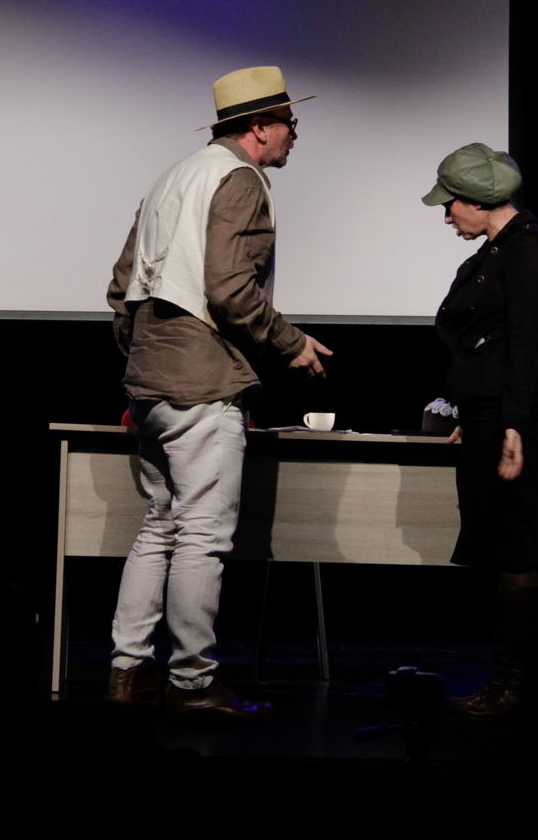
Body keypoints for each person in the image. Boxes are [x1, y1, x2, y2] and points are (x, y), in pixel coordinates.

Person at [104, 66, 331, 720]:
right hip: (201, 379)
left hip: (152, 381)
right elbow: (230, 288)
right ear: (259, 127)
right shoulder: (239, 179)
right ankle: (192, 681)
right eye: (289, 122)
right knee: (201, 536)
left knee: (160, 526)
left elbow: (122, 288)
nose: (294, 135)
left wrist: (145, 360)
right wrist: (289, 342)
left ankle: (127, 672)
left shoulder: (173, 176)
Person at [422, 142, 538, 717]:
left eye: (450, 204)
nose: (446, 215)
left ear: (478, 200)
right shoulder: (497, 250)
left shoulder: (527, 250)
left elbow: (524, 345)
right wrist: (470, 413)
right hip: (490, 414)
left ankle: (513, 685)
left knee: (516, 549)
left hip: (513, 417)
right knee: (502, 547)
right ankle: (504, 682)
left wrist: (512, 427)